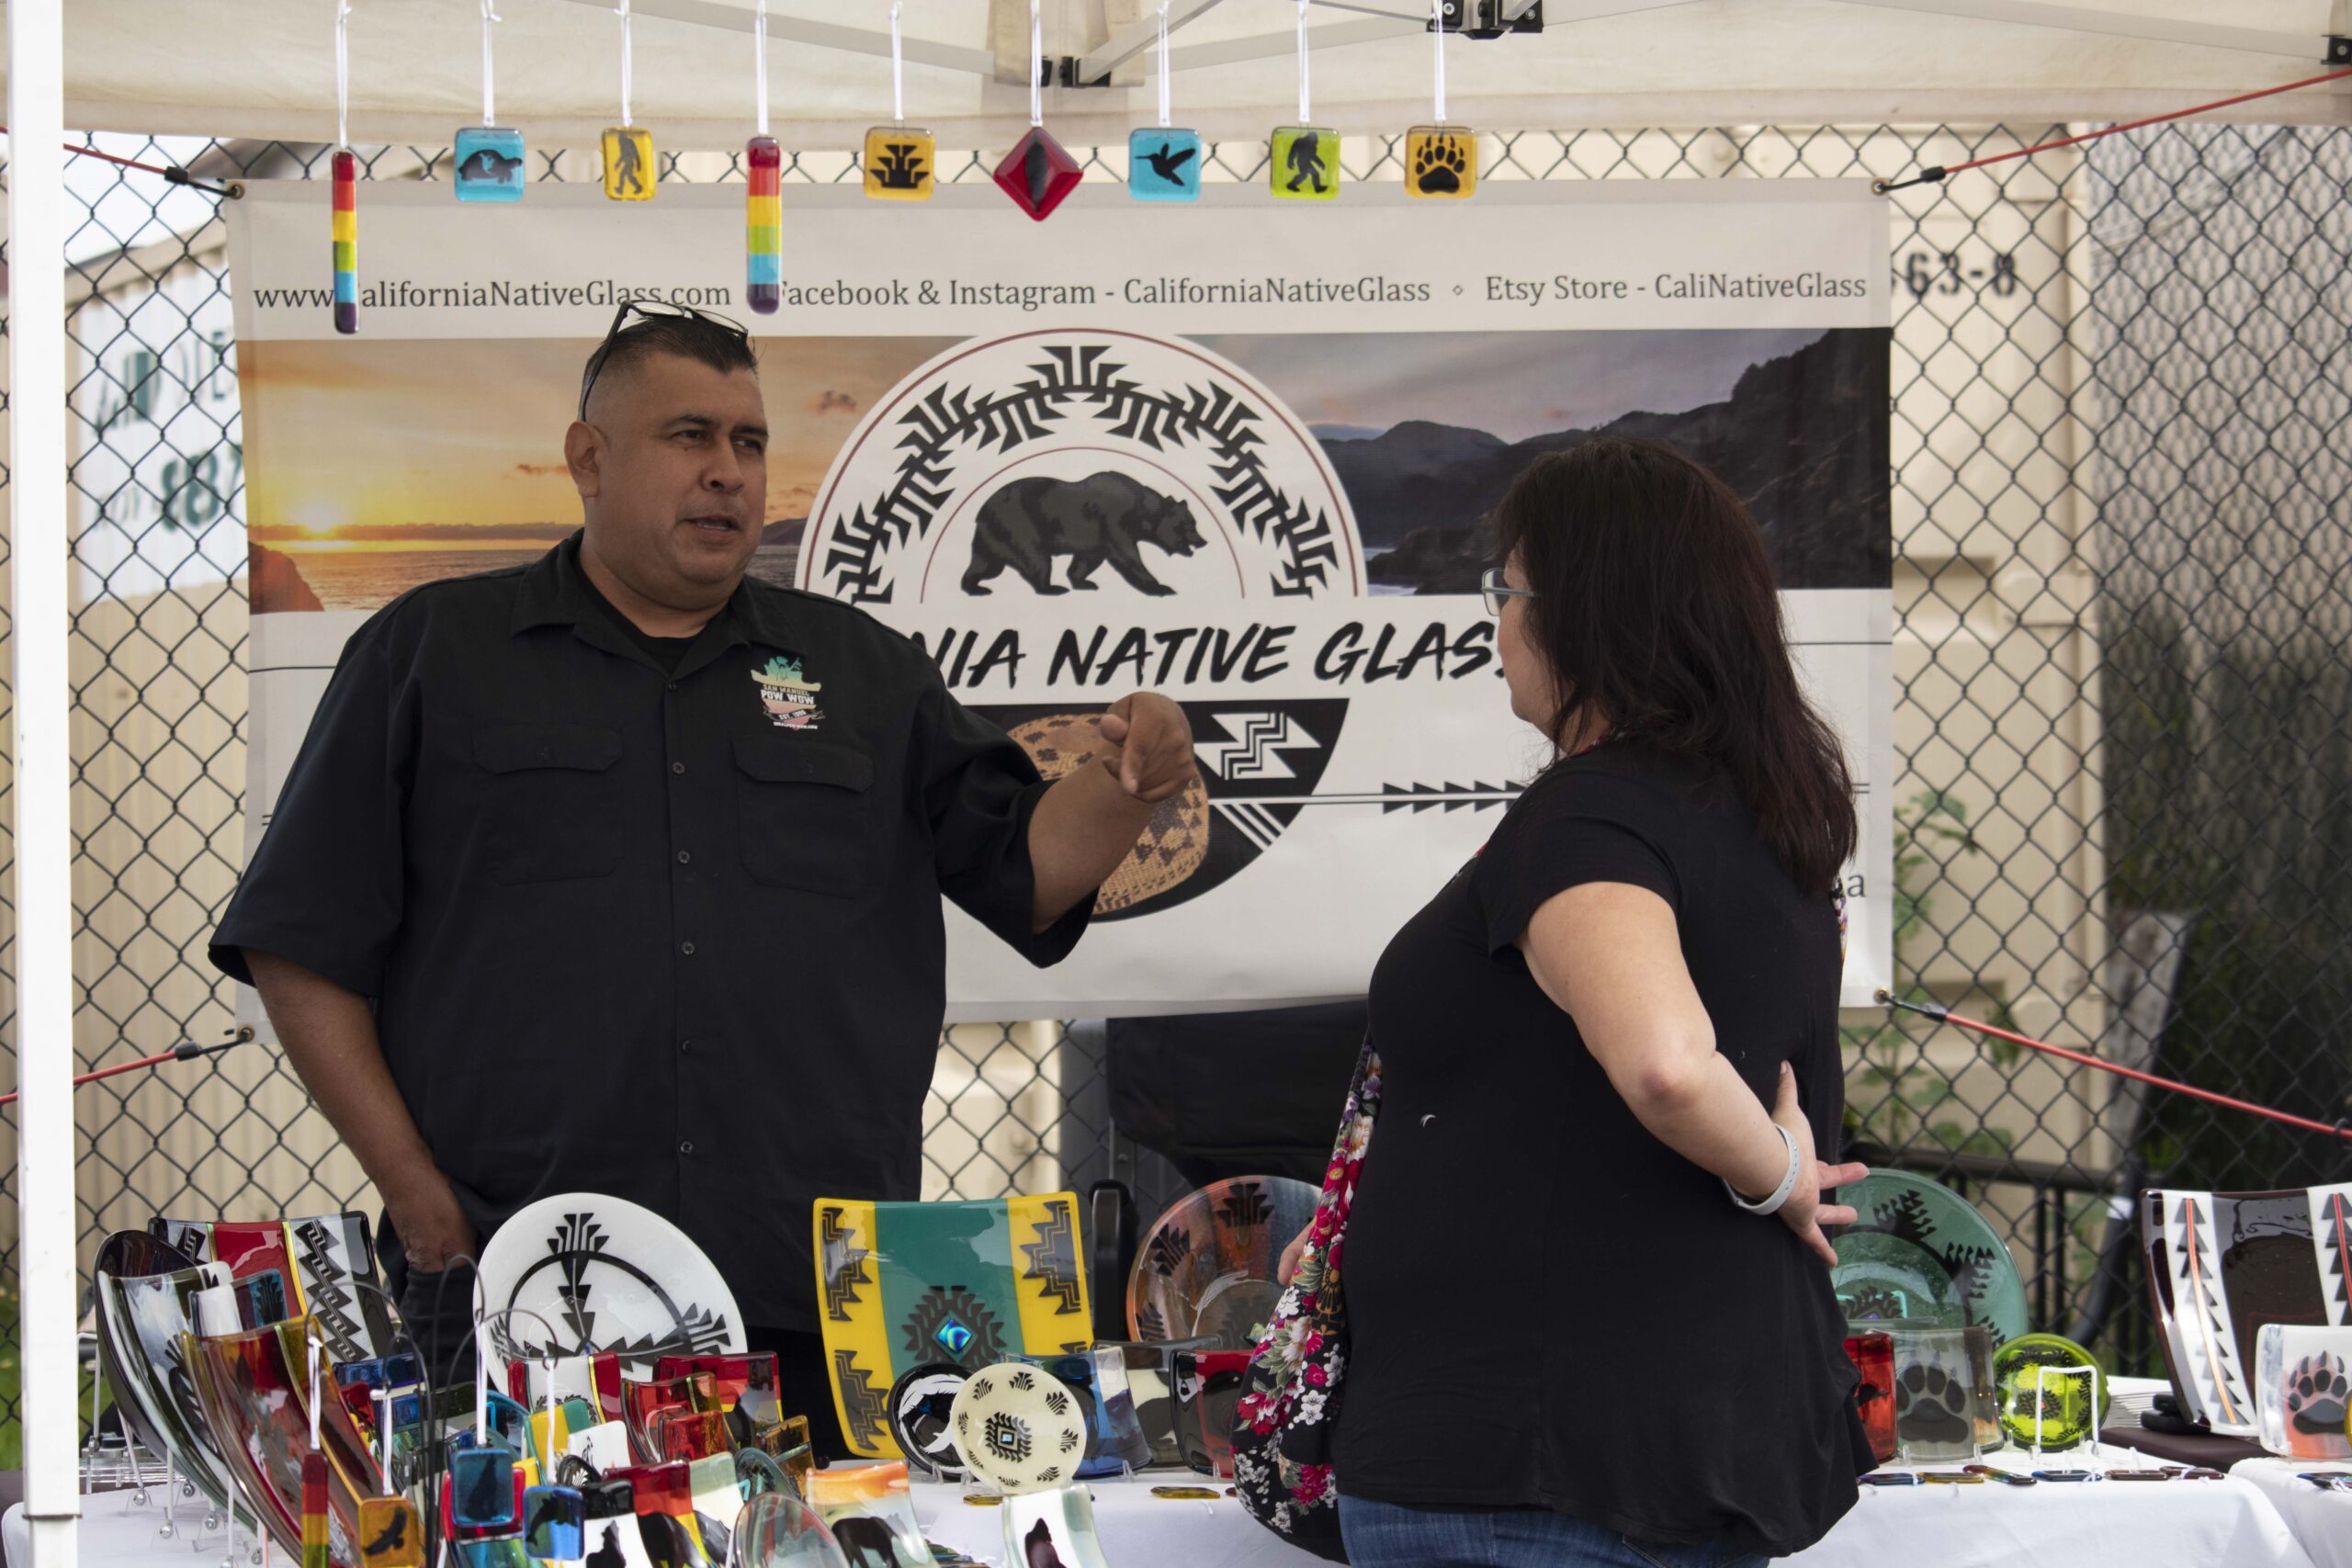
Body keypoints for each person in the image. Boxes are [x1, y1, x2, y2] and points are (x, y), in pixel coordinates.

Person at [209, 302, 1195, 1448]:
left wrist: (1126, 783)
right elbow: (299, 947)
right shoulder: (433, 652)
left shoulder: (863, 672)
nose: (728, 474)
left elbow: (1027, 872)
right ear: (588, 459)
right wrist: (418, 1200)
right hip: (523, 1278)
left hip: (813, 1294)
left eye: (750, 442)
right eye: (690, 437)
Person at [1288, 436, 1872, 1566]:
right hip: (1659, 1440)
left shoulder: (1588, 819)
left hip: (1531, 1472)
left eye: (1504, 591)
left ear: (1583, 613)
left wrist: (1780, 1173)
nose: (1493, 623)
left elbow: (1663, 1064)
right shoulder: (1762, 819)